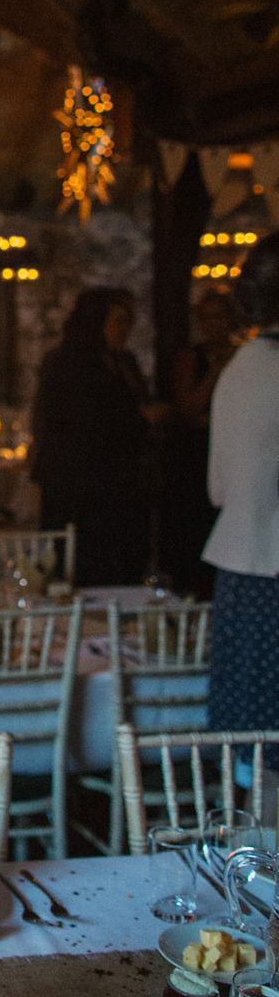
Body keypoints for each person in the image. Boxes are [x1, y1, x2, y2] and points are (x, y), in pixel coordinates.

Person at [204, 233, 279, 743]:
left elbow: (219, 489)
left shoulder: (237, 369)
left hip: (242, 572)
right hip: (269, 574)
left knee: (249, 747)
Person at [31, 287, 158, 586]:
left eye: (129, 321)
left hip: (121, 485)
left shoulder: (123, 362)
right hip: (80, 488)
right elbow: (76, 423)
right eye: (118, 321)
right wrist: (139, 419)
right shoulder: (68, 363)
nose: (125, 330)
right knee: (85, 566)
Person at [161, 289, 243, 595]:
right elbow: (189, 408)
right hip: (193, 458)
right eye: (204, 318)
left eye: (217, 317)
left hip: (230, 454)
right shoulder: (190, 358)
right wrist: (218, 370)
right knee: (191, 534)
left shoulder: (245, 358)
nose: (210, 325)